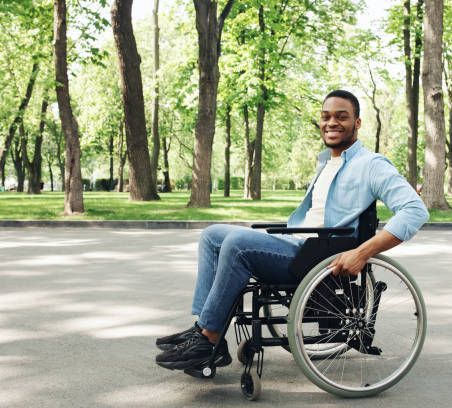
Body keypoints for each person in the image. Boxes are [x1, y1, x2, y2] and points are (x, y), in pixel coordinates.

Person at [155, 89, 429, 370]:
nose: (331, 123)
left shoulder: (371, 165)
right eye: (326, 117)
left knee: (237, 243)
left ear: (357, 123)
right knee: (212, 235)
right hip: (300, 244)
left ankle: (209, 338)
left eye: (341, 117)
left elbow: (414, 210)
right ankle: (202, 327)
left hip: (316, 258)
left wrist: (362, 252)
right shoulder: (327, 162)